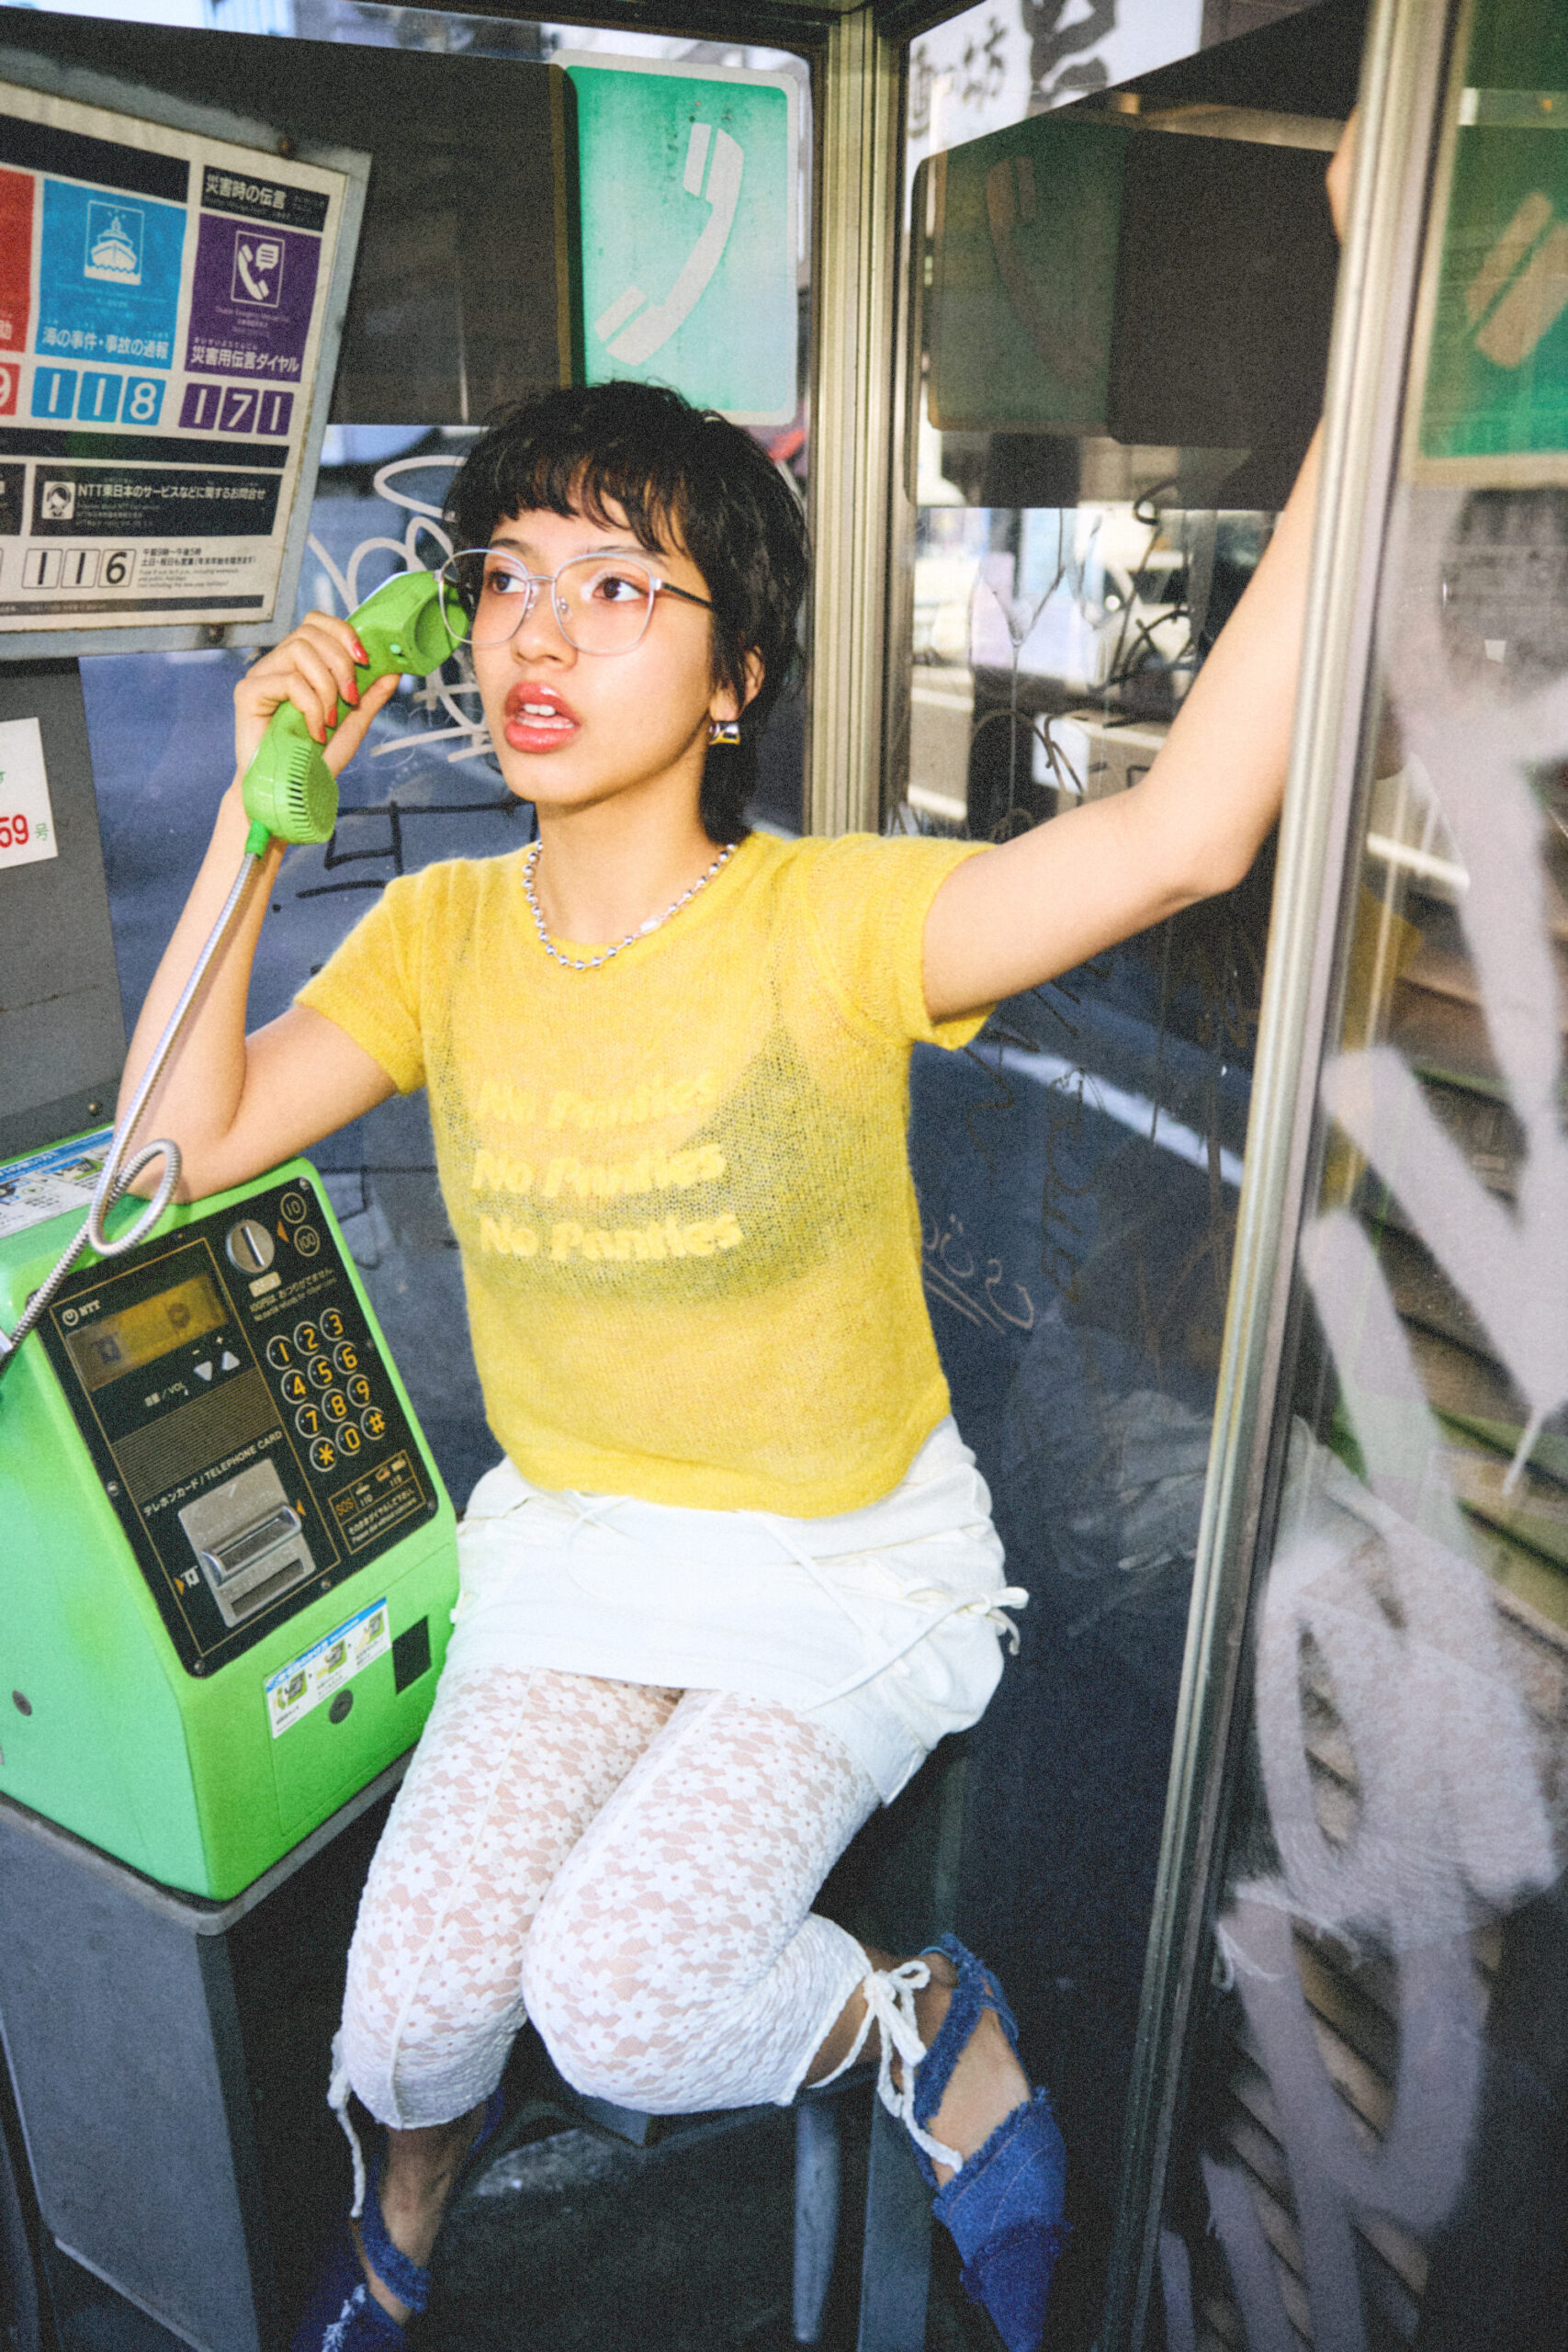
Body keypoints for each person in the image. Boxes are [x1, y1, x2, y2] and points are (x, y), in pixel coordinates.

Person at [119, 129, 1347, 2352]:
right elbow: (171, 1148)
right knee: (411, 2013)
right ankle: (402, 2231)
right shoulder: (435, 935)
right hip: (585, 1546)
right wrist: (257, 797)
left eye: (620, 588)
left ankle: (913, 2016)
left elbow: (1185, 834)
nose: (536, 629)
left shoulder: (828, 923)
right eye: (509, 577)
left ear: (734, 676)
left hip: (825, 1561)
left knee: (626, 1991)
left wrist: (1363, 354)